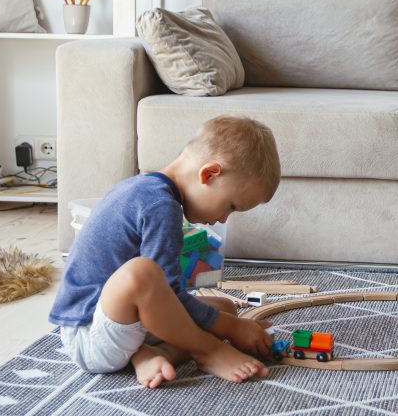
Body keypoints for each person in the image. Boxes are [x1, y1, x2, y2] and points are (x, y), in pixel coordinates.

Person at [49, 116, 282, 388]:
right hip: (89, 336)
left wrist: (229, 322)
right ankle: (209, 351)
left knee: (225, 307)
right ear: (208, 174)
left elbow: (166, 299)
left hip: (121, 324)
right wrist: (231, 329)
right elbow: (168, 292)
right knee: (143, 272)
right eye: (230, 206)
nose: (223, 220)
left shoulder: (148, 189)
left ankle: (153, 354)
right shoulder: (160, 206)